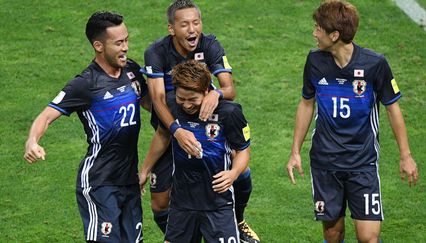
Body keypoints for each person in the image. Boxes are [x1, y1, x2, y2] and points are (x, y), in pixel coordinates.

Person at [286, 1, 419, 242]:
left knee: (368, 237)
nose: (314, 33)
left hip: (362, 162)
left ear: (334, 35)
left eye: (318, 28)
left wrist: (406, 155)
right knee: (333, 233)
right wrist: (295, 151)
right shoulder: (315, 61)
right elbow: (306, 103)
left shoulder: (374, 64)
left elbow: (393, 109)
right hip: (325, 162)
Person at [23, 11, 150, 242]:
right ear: (98, 45)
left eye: (127, 40)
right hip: (99, 183)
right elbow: (46, 116)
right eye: (118, 43)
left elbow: (152, 104)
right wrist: (32, 141)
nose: (125, 47)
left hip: (129, 180)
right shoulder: (86, 83)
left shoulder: (131, 70)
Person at [141, 0, 259, 242]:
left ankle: (237, 220)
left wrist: (214, 94)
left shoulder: (210, 45)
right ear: (171, 28)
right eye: (184, 24)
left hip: (208, 129)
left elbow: (229, 88)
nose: (192, 29)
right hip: (172, 129)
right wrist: (176, 131)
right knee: (160, 203)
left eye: (196, 23)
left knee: (240, 171)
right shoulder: (156, 52)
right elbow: (157, 100)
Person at [140, 60, 250, 242]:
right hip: (181, 204)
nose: (186, 105)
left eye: (192, 99)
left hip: (218, 203)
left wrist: (234, 173)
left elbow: (243, 150)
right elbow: (162, 135)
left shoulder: (229, 113)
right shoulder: (171, 105)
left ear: (206, 91)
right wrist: (144, 170)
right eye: (181, 98)